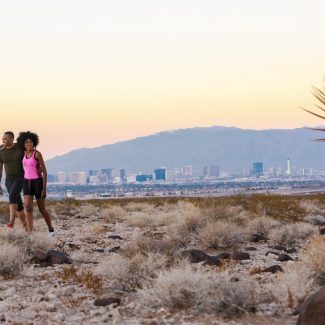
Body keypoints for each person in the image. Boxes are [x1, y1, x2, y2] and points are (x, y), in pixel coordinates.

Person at [16, 131, 55, 237]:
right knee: (28, 207)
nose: (28, 144)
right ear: (23, 144)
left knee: (42, 210)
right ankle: (30, 234)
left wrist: (44, 189)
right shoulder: (23, 153)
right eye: (26, 142)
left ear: (34, 143)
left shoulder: (37, 154)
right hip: (26, 182)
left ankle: (51, 229)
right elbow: (13, 147)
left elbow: (45, 171)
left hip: (37, 183)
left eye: (30, 142)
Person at [0, 131, 27, 229]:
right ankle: (26, 227)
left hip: (20, 177)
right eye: (2, 138)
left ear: (12, 139)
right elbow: (0, 168)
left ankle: (11, 222)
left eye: (5, 139)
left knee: (12, 195)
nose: (3, 140)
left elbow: (29, 155)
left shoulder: (20, 147)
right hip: (8, 180)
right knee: (18, 203)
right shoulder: (1, 151)